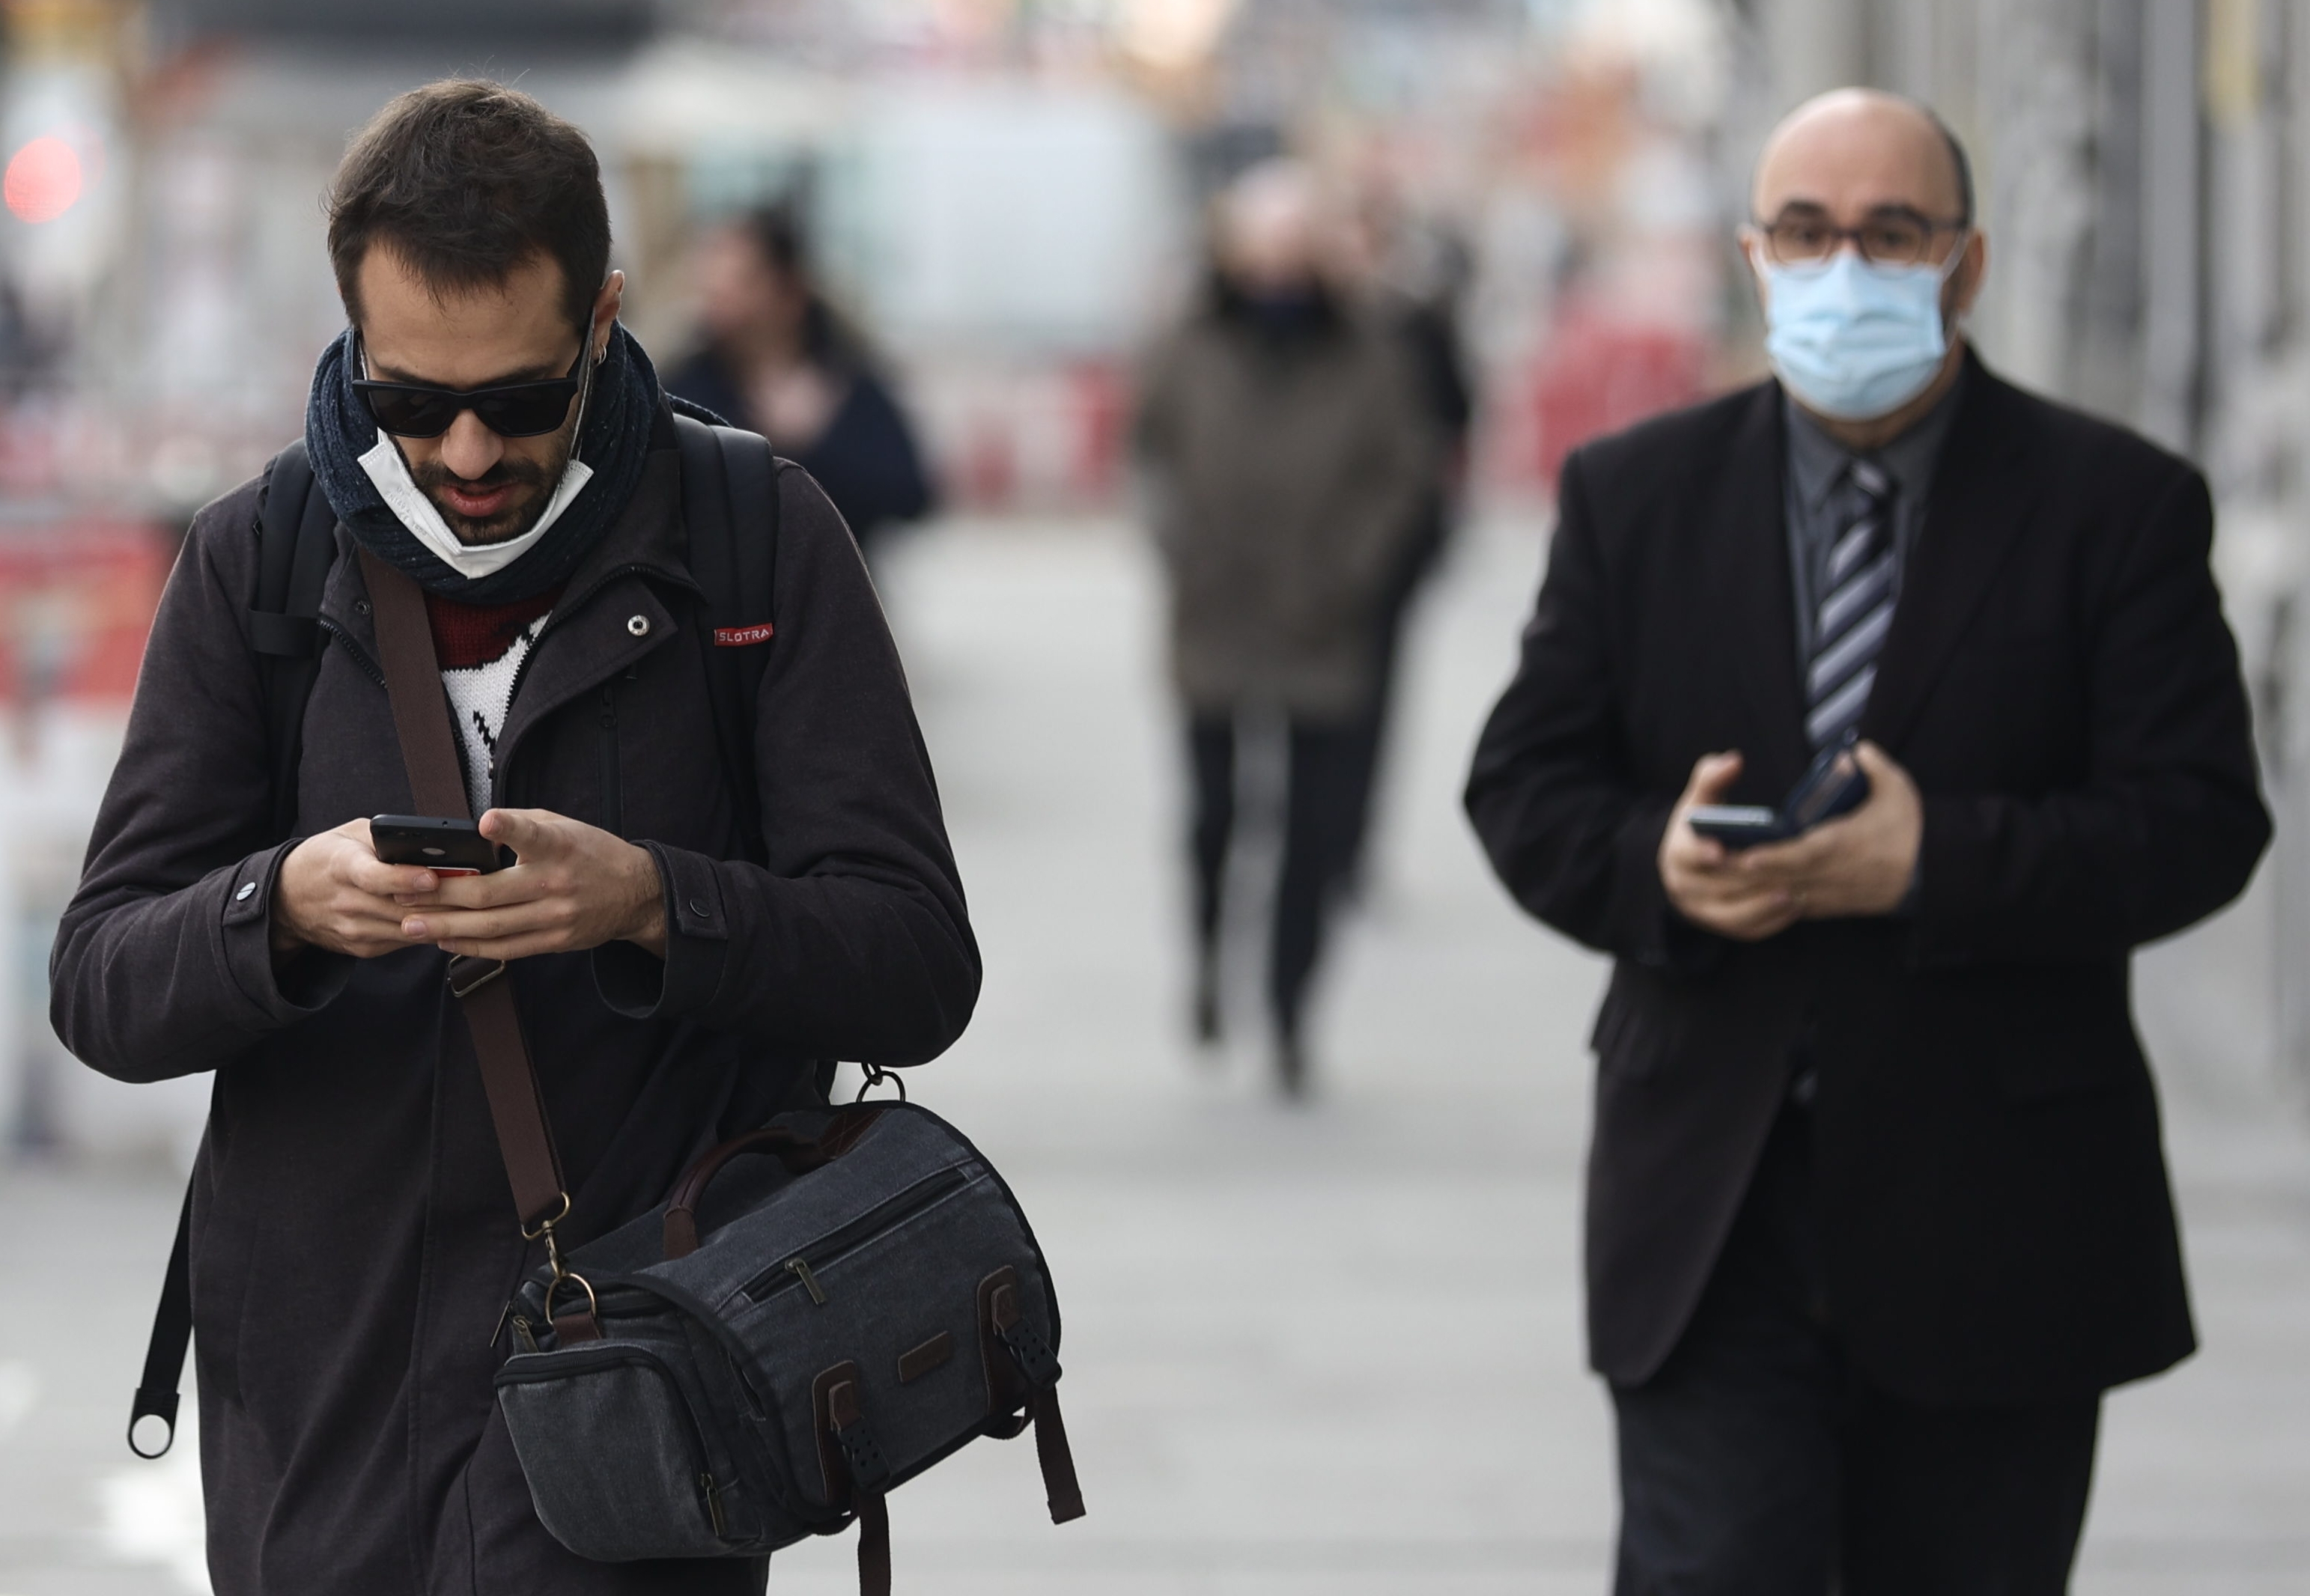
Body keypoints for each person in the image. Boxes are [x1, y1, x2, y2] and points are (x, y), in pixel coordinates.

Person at [50, 82, 978, 1595]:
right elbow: (98, 983)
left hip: (642, 1381)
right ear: (350, 332)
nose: (467, 449)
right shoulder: (258, 561)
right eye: (410, 400)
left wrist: (651, 904)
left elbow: (915, 965)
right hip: (323, 1400)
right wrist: (278, 905)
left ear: (603, 319)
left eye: (520, 397)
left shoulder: (755, 538)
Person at [1465, 90, 2269, 1594]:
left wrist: (1936, 862)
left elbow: (2201, 820)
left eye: (1889, 233)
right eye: (1808, 232)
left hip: (2000, 1207)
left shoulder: (2117, 508)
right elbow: (1522, 787)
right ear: (1756, 256)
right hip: (1714, 1201)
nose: (1846, 267)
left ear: (1962, 264)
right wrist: (1659, 865)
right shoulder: (1636, 496)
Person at [1135, 159, 1438, 1098]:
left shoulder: (1371, 352)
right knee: (1215, 815)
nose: (1276, 271)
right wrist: (1183, 547)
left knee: (1311, 831)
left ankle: (1291, 1008)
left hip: (1322, 623)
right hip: (1215, 616)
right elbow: (1148, 455)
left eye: (1292, 250)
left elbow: (1405, 474)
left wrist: (1348, 572)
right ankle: (1208, 963)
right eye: (1259, 251)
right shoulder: (1185, 345)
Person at [664, 207, 934, 565]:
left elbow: (912, 493)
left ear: (789, 291)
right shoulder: (684, 389)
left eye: (741, 283)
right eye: (711, 283)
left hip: (831, 598)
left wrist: (818, 443)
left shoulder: (845, 378)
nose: (720, 301)